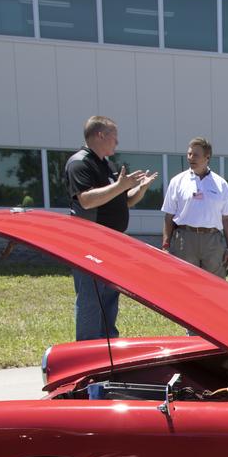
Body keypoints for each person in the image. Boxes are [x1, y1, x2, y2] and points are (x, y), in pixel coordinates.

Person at [65, 115, 157, 340]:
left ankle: (109, 347)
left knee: (109, 297)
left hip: (112, 243)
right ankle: (88, 354)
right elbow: (86, 200)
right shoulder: (80, 163)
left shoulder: (107, 165)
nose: (117, 142)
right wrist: (119, 186)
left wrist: (140, 189)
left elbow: (124, 201)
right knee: (91, 300)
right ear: (100, 135)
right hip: (91, 244)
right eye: (114, 137)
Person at [161, 137, 228, 278]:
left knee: (215, 285)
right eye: (189, 154)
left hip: (212, 241)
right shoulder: (177, 181)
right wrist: (165, 246)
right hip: (184, 240)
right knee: (185, 284)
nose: (191, 158)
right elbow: (169, 216)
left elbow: (227, 218)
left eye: (195, 154)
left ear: (207, 157)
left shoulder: (221, 184)